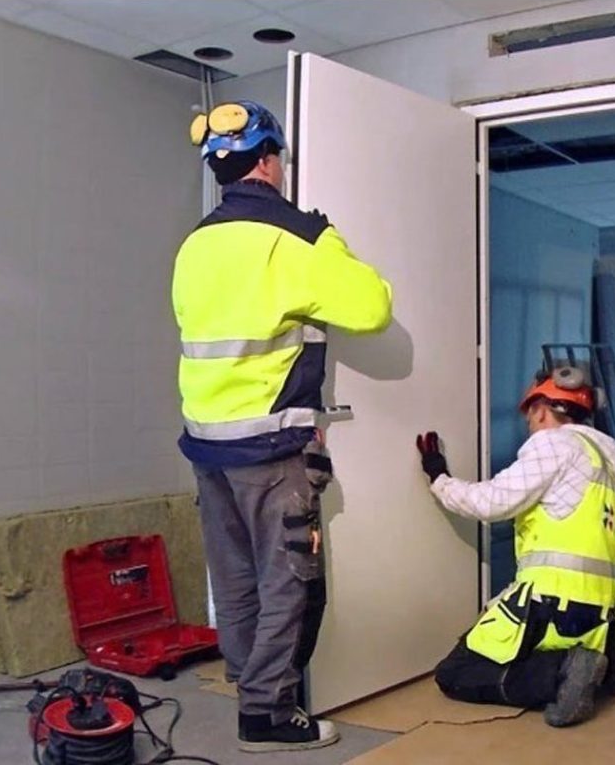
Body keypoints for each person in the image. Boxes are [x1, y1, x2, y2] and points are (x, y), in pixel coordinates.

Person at [172, 100, 392, 752]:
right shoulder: (295, 238)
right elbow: (373, 307)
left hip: (206, 443)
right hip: (269, 445)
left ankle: (248, 680)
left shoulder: (194, 245)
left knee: (235, 577)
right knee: (287, 580)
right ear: (269, 162)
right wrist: (327, 238)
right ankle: (267, 714)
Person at [416, 366, 615, 727]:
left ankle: (561, 671)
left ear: (541, 409)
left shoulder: (553, 444)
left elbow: (492, 502)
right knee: (547, 649)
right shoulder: (607, 464)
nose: (529, 424)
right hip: (602, 613)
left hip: (551, 605)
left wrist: (439, 477)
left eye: (530, 415)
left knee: (456, 671)